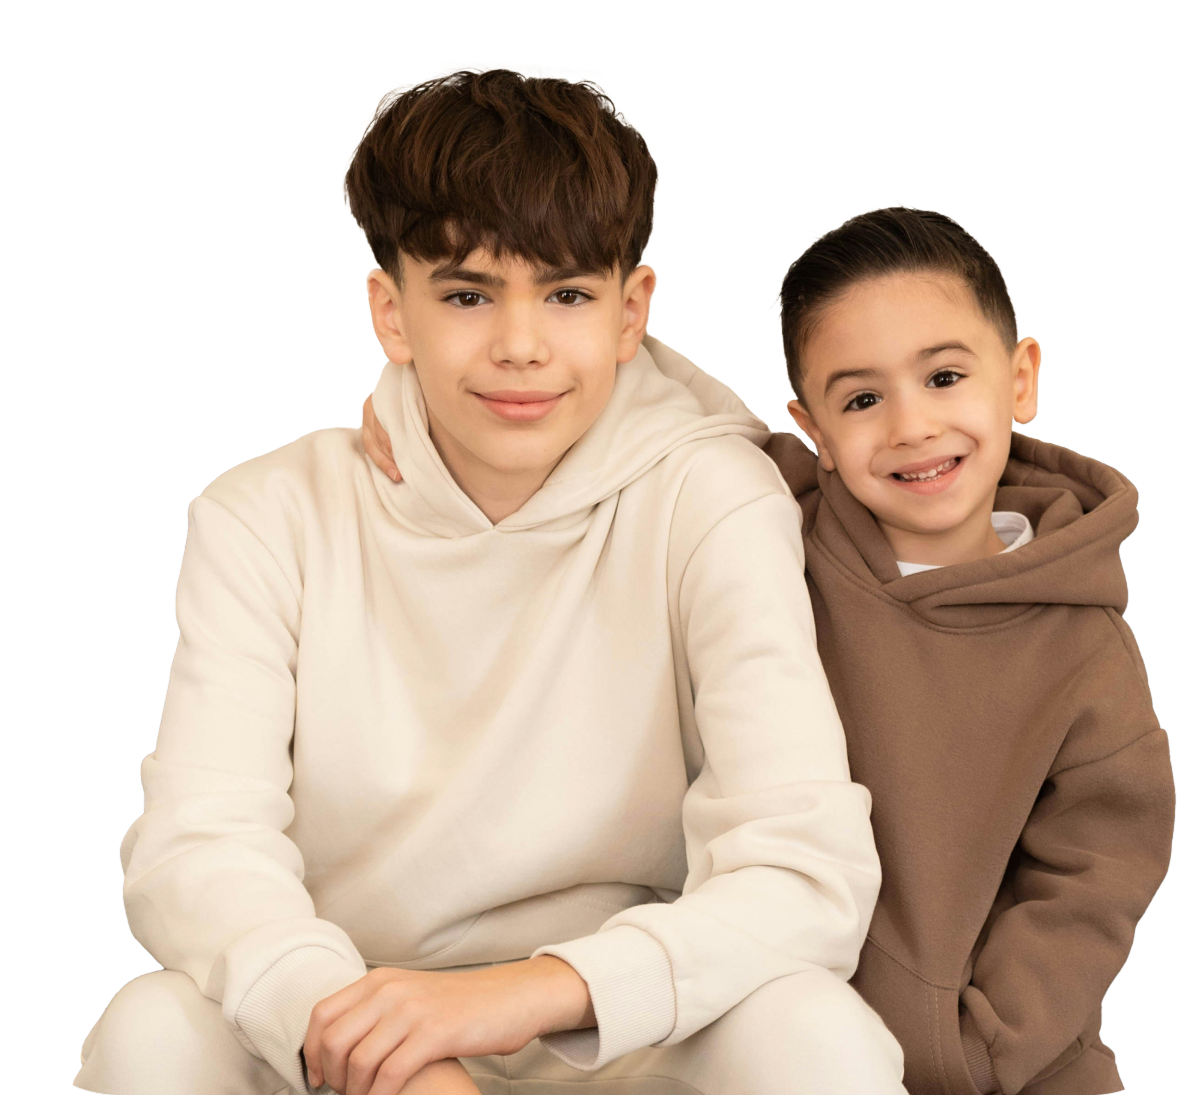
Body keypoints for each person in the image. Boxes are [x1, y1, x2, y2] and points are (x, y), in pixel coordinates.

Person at [72, 62, 910, 1095]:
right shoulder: (265, 515)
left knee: (811, 1034)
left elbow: (803, 871)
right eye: (467, 295)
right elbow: (194, 850)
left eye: (565, 294)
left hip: (624, 1024)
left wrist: (528, 990)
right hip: (349, 1020)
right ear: (390, 312)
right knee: (152, 1030)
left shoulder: (710, 497)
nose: (519, 346)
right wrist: (383, 1046)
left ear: (630, 308)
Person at [361, 201, 1175, 1094]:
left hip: (1004, 1068)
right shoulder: (768, 513)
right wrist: (411, 401)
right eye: (861, 398)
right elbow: (613, 374)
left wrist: (976, 1048)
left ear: (1021, 377)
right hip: (756, 1021)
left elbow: (1091, 881)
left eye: (945, 378)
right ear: (811, 430)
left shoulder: (1085, 645)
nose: (911, 425)